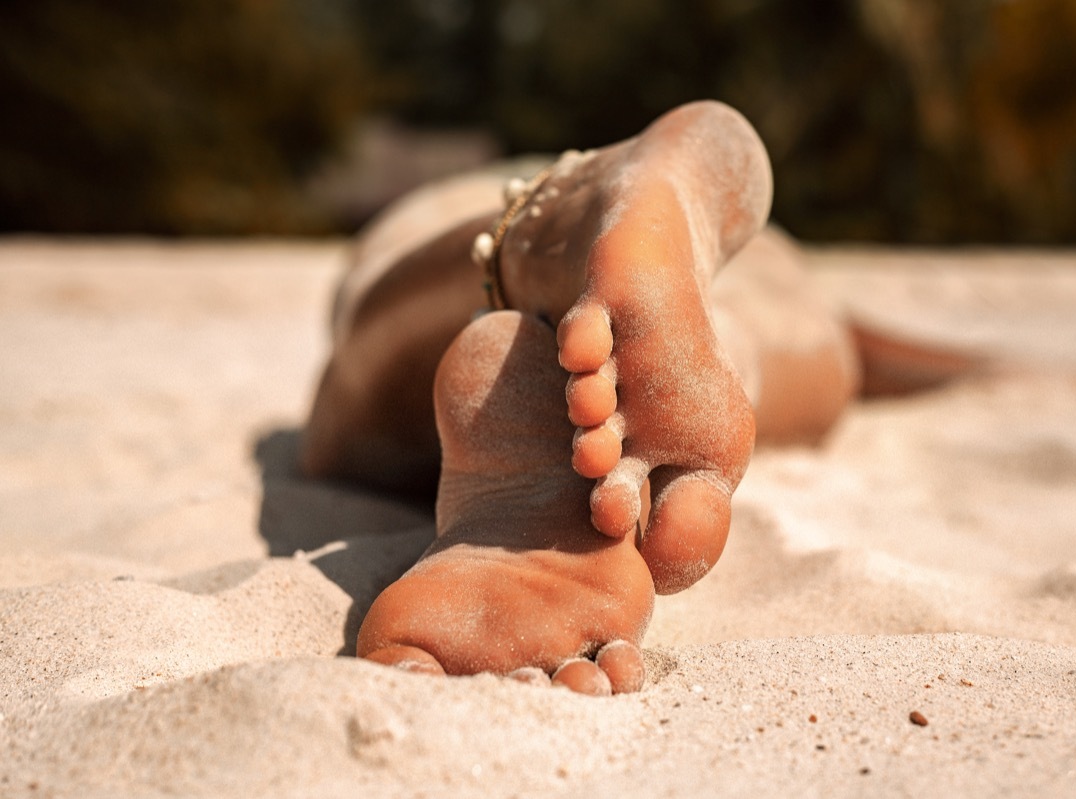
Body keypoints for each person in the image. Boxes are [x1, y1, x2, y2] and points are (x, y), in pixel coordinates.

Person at [300, 101, 971, 695]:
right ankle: (720, 347)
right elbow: (877, 357)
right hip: (742, 256)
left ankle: (540, 243)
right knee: (806, 339)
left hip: (447, 221)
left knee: (343, 429)